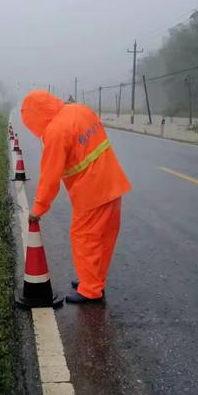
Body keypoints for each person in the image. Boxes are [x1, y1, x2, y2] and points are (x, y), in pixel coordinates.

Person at [21, 90, 132, 304]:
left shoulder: (56, 131)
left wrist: (38, 209)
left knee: (85, 239)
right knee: (103, 239)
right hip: (113, 183)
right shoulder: (80, 110)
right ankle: (93, 281)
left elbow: (49, 177)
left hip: (92, 193)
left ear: (36, 115)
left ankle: (90, 290)